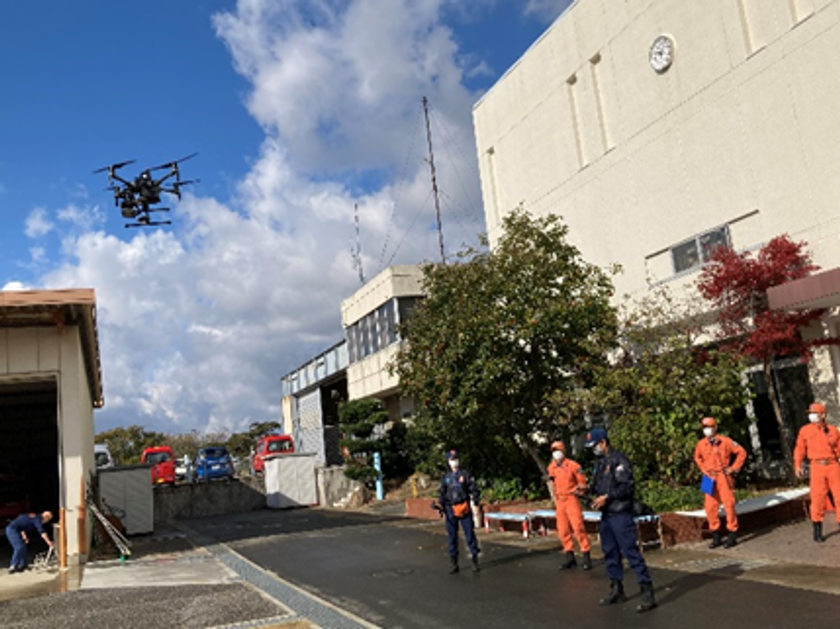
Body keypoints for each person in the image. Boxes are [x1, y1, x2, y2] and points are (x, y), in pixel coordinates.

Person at [586, 427, 656, 613]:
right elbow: (597, 486)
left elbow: (627, 488)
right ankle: (617, 588)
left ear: (603, 443)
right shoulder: (600, 462)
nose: (594, 450)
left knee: (630, 551)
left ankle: (646, 591)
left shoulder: (619, 461)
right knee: (609, 552)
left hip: (620, 513)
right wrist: (586, 490)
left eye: (594, 445)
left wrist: (607, 497)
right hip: (607, 515)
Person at [693, 417, 747, 549]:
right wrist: (704, 470)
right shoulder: (701, 444)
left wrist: (733, 468)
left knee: (729, 505)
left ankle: (732, 533)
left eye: (709, 427)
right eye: (705, 428)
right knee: (710, 507)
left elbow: (742, 452)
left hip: (723, 475)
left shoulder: (725, 441)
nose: (707, 430)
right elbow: (697, 458)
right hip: (708, 477)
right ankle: (716, 535)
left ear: (715, 427)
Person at [794, 402, 840, 543]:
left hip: (833, 465)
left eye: (814, 413)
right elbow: (799, 449)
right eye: (810, 413)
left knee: (839, 496)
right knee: (817, 499)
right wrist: (798, 465)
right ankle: (817, 529)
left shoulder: (832, 430)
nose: (812, 416)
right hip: (817, 467)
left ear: (823, 415)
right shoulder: (805, 431)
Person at [546, 440, 591, 570]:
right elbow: (553, 482)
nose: (556, 453)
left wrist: (579, 490)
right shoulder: (552, 467)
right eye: (554, 451)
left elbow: (582, 483)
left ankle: (586, 555)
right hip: (560, 500)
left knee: (578, 527)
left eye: (558, 450)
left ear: (563, 451)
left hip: (571, 499)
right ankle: (569, 556)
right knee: (563, 529)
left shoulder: (573, 466)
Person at [438, 449, 481, 573]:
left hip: (464, 506)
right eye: (452, 460)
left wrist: (475, 503)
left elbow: (474, 489)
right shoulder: (446, 477)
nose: (454, 462)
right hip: (450, 509)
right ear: (448, 462)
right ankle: (454, 563)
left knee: (469, 534)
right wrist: (441, 505)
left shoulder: (465, 475)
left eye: (456, 459)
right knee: (452, 536)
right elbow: (442, 492)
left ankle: (474, 560)